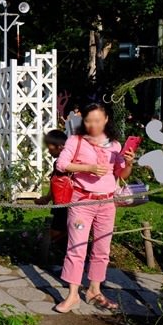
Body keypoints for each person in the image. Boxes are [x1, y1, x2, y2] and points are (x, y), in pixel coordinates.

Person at [54, 103, 134, 313]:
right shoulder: (76, 141)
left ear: (106, 119)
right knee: (76, 248)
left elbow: (120, 175)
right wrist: (88, 168)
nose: (93, 125)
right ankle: (72, 295)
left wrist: (129, 163)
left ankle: (94, 290)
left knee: (102, 249)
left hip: (107, 204)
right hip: (82, 202)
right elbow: (61, 164)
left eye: (97, 121)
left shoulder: (115, 145)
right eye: (89, 121)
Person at [35, 130, 69, 249]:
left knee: (58, 232)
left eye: (50, 148)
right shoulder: (58, 163)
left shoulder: (65, 164)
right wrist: (47, 198)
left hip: (65, 204)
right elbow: (57, 183)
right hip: (60, 202)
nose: (48, 151)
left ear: (60, 147)